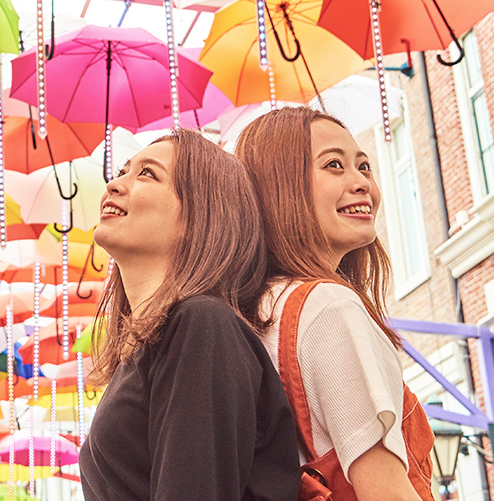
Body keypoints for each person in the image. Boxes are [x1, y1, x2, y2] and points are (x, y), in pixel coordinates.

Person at [79, 128, 301, 501]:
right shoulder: (144, 353)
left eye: (147, 173)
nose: (115, 184)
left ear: (199, 216)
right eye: (122, 170)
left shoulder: (202, 326)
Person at [235, 107, 435, 501]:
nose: (361, 182)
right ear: (280, 187)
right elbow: (386, 491)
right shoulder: (329, 307)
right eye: (334, 165)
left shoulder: (257, 313)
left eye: (364, 166)